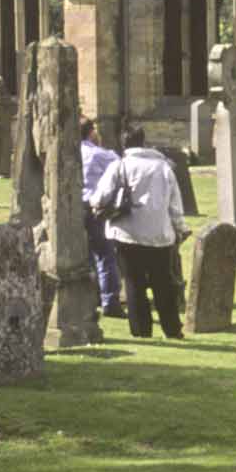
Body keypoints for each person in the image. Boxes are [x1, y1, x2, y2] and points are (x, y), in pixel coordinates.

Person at [90, 124, 185, 339]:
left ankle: (142, 331)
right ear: (143, 142)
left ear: (124, 143)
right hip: (160, 235)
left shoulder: (119, 166)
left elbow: (99, 197)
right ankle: (172, 329)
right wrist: (180, 228)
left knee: (134, 284)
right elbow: (175, 204)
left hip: (127, 234)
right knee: (164, 283)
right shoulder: (163, 167)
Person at [77, 120, 128, 317]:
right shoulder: (100, 154)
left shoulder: (71, 152)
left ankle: (91, 298)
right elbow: (120, 167)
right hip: (94, 208)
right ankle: (109, 302)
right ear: (91, 133)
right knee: (105, 254)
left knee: (84, 255)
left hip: (72, 207)